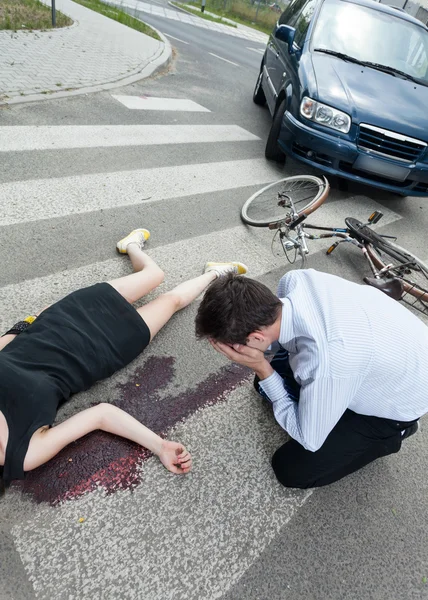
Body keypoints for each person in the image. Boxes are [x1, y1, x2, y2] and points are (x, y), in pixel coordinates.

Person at [0, 228, 247, 493]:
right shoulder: (24, 453)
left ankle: (131, 246)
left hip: (64, 317)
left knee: (155, 276)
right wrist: (160, 446)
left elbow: (12, 337)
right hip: (102, 350)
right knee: (171, 300)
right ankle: (214, 274)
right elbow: (101, 415)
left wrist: (42, 314)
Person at [195, 268, 428, 489]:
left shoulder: (327, 360)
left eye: (233, 349)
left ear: (255, 337)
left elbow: (310, 439)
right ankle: (333, 404)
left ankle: (394, 435)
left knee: (290, 469)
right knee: (265, 387)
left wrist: (261, 367)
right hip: (391, 351)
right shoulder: (295, 280)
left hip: (401, 399)